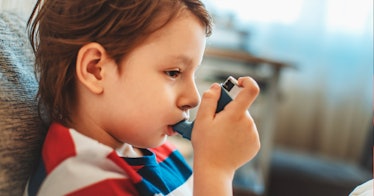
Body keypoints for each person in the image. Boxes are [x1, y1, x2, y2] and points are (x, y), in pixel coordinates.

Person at [25, 0, 260, 195]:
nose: (194, 97)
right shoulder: (81, 183)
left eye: (193, 74)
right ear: (96, 70)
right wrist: (216, 168)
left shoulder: (153, 150)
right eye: (173, 72)